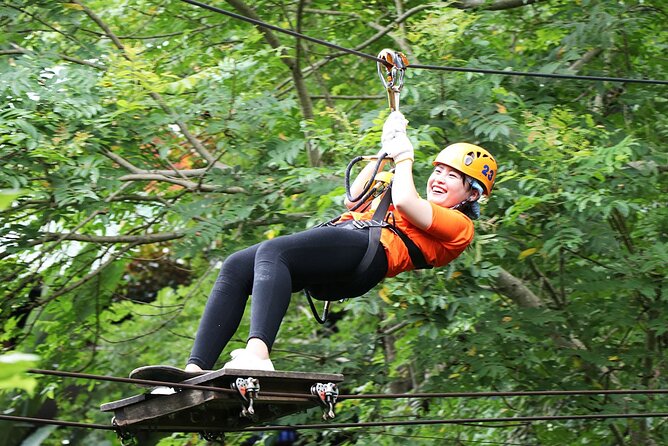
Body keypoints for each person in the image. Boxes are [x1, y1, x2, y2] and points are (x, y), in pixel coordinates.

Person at [184, 111, 497, 372]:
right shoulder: (401, 185)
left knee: (273, 250)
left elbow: (404, 202)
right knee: (237, 265)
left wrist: (405, 156)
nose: (439, 178)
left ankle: (258, 354)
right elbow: (355, 199)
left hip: (370, 254)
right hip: (351, 239)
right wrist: (385, 150)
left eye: (452, 176)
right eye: (438, 170)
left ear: (471, 194)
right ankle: (196, 367)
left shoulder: (459, 226)